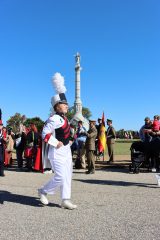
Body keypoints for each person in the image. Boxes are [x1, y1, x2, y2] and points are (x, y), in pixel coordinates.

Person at [38, 72, 77, 210]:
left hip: (66, 150)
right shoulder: (54, 118)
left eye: (66, 103)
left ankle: (65, 199)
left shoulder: (65, 119)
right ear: (57, 106)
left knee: (67, 175)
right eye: (64, 103)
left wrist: (70, 140)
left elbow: (67, 133)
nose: (67, 105)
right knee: (60, 176)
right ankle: (43, 191)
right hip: (57, 151)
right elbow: (44, 133)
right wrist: (56, 142)